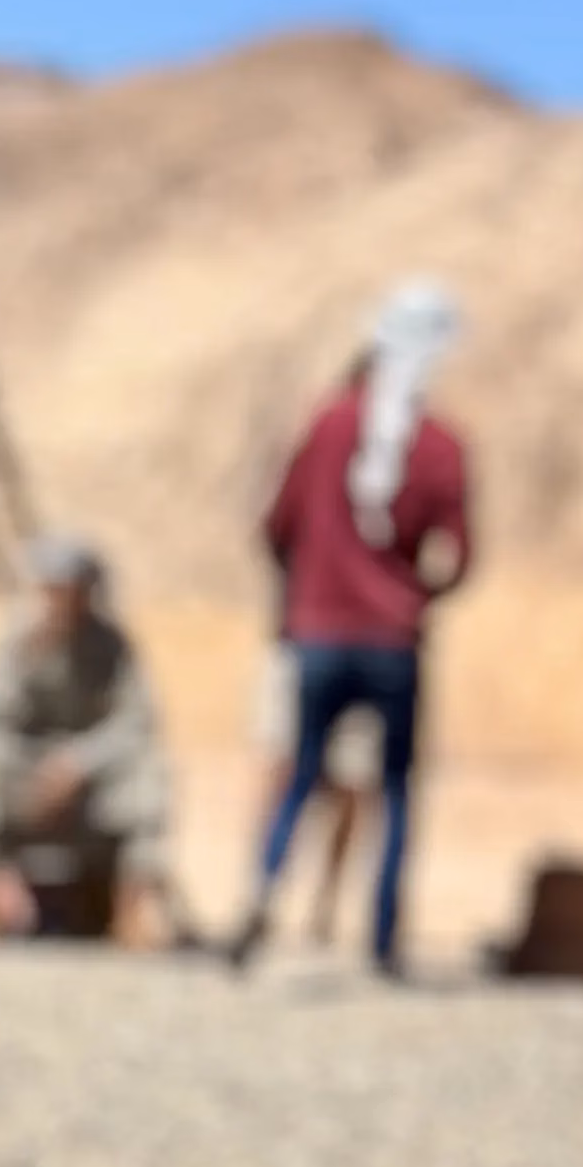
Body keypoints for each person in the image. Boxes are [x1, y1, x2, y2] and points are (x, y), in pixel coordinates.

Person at [238, 281, 471, 973]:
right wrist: (412, 594)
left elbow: (277, 525)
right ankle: (382, 935)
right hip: (392, 645)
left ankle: (261, 901)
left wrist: (309, 589)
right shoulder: (441, 445)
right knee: (392, 791)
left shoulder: (329, 424)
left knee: (302, 771)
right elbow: (460, 554)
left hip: (318, 634)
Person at [0, 532, 179, 940]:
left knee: (151, 773)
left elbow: (135, 722)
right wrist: (34, 656)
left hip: (88, 771)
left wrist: (78, 763)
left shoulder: (111, 644)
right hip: (27, 764)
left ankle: (133, 907)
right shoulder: (17, 638)